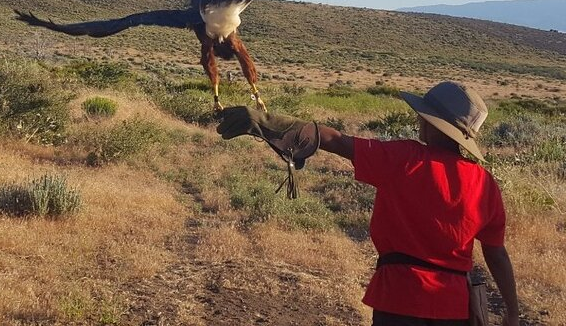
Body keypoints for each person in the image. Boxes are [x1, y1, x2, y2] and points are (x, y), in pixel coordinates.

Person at [216, 81, 519, 326]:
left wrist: (269, 122)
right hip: (454, 306)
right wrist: (512, 312)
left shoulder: (403, 158)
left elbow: (337, 141)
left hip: (398, 297)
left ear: (432, 124)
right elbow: (496, 254)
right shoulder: (485, 183)